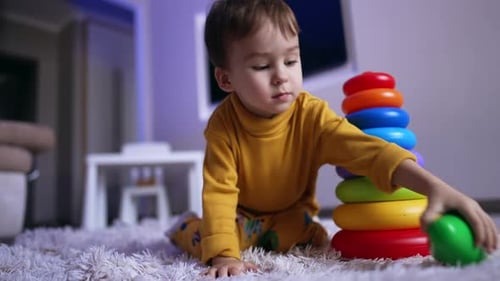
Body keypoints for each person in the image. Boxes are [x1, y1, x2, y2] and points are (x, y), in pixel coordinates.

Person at [167, 0, 498, 278]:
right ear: (226, 79)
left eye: (291, 60)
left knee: (304, 236)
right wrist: (224, 256)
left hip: (292, 215)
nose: (282, 75)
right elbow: (220, 191)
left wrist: (436, 187)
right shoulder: (223, 126)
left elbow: (370, 152)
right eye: (262, 65)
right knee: (210, 237)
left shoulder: (312, 116)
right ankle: (184, 225)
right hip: (243, 215)